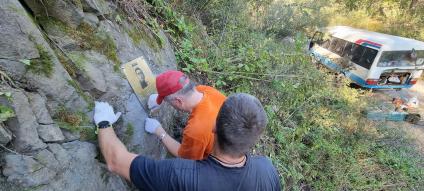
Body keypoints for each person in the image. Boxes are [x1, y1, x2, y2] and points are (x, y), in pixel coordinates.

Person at [94, 93, 281, 190]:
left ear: (214, 127)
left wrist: (103, 122)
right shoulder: (267, 170)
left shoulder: (181, 176)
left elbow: (116, 160)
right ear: (254, 139)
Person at [144, 70, 226, 160]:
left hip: (218, 162)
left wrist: (159, 131)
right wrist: (162, 98)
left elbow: (182, 155)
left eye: (168, 102)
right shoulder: (206, 90)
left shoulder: (195, 130)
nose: (168, 104)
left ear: (178, 101)